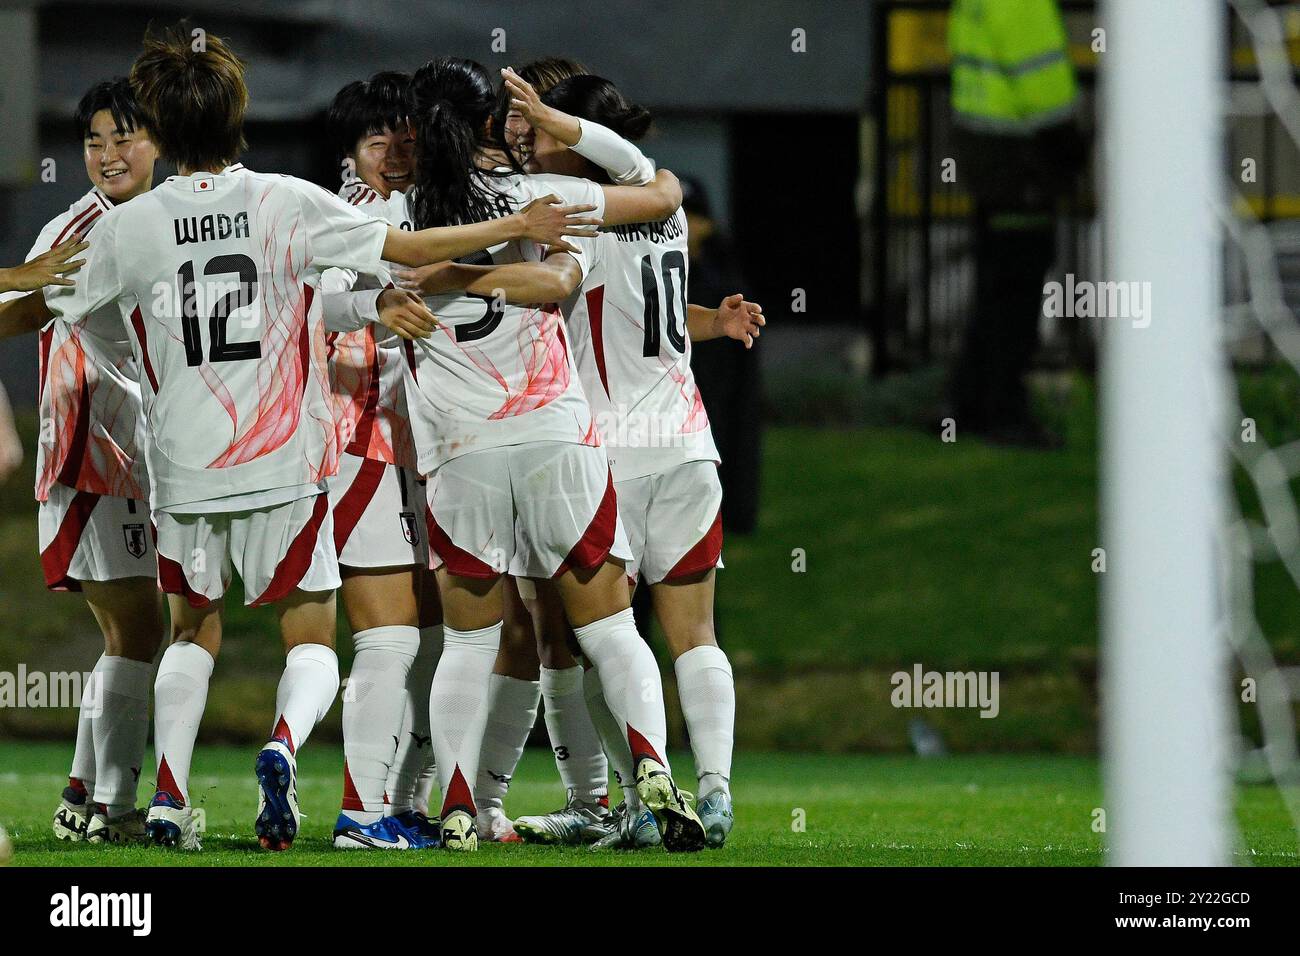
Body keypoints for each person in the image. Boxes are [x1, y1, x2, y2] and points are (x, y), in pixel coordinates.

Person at [36, 24, 600, 852]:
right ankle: (286, 744)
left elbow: (61, 311)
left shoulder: (130, 227)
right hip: (284, 466)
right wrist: (501, 226)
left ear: (161, 129)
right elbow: (406, 248)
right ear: (239, 117)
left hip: (184, 472)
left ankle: (166, 797)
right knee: (312, 637)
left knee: (189, 632)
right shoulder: (285, 200)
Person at [364, 55, 706, 852]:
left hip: (460, 453)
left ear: (417, 132)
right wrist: (565, 131)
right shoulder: (544, 199)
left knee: (472, 644)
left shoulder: (394, 222)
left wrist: (433, 280)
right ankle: (653, 769)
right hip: (558, 438)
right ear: (494, 125)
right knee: (613, 630)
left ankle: (457, 805)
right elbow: (657, 189)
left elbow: (353, 292)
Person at [498, 68, 762, 849]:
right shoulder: (662, 205)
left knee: (599, 638)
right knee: (696, 635)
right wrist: (715, 322)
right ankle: (713, 792)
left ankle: (643, 802)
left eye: (543, 130)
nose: (531, 144)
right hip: (686, 444)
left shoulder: (575, 209)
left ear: (576, 138)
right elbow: (646, 309)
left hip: (605, 456)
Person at [0, 78, 163, 846]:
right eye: (94, 141)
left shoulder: (169, 220)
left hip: (144, 454)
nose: (105, 155)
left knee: (129, 636)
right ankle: (113, 806)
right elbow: (22, 311)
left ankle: (82, 793)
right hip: (95, 454)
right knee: (139, 630)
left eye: (122, 137)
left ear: (160, 141)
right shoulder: (80, 229)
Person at [318, 71, 442, 850]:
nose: (393, 155)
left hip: (420, 447)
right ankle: (363, 811)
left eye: (406, 141)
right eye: (377, 142)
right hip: (362, 443)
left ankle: (402, 800)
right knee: (389, 634)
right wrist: (377, 305)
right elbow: (327, 301)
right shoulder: (346, 216)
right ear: (351, 153)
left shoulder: (425, 209)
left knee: (433, 632)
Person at [947, 0, 1086, 446]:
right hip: (1022, 160)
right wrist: (1072, 151)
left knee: (995, 287)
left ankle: (969, 405)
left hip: (985, 157)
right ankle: (1004, 414)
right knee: (1016, 291)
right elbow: (1046, 96)